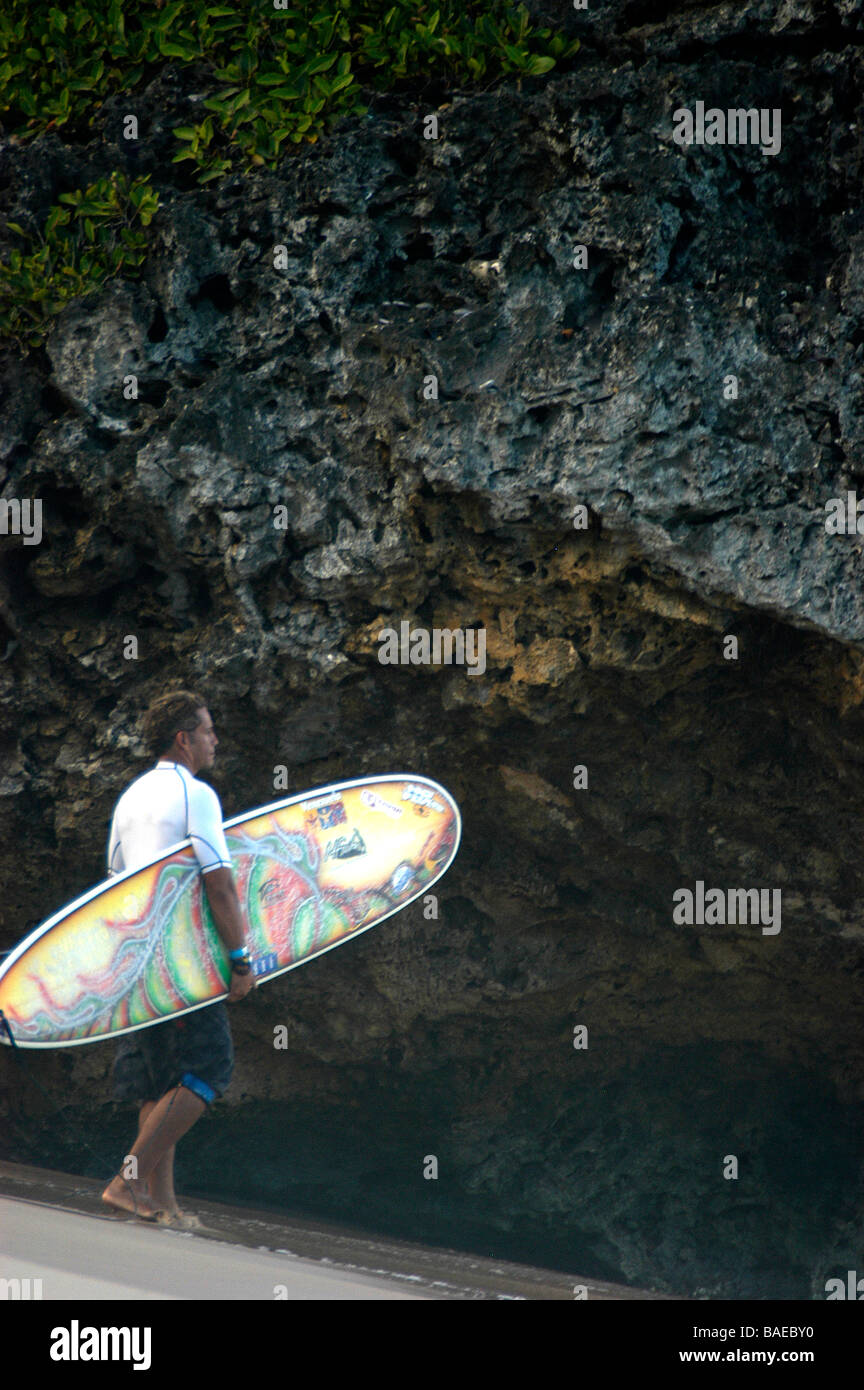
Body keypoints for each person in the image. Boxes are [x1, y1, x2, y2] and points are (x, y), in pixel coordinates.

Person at [100, 690, 255, 1225]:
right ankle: (127, 1179)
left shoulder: (130, 799)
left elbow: (115, 884)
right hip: (180, 961)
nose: (215, 741)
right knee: (209, 1067)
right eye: (209, 731)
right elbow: (220, 884)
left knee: (161, 1079)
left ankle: (158, 1204)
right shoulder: (196, 795)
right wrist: (240, 957)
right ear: (184, 739)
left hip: (134, 956)